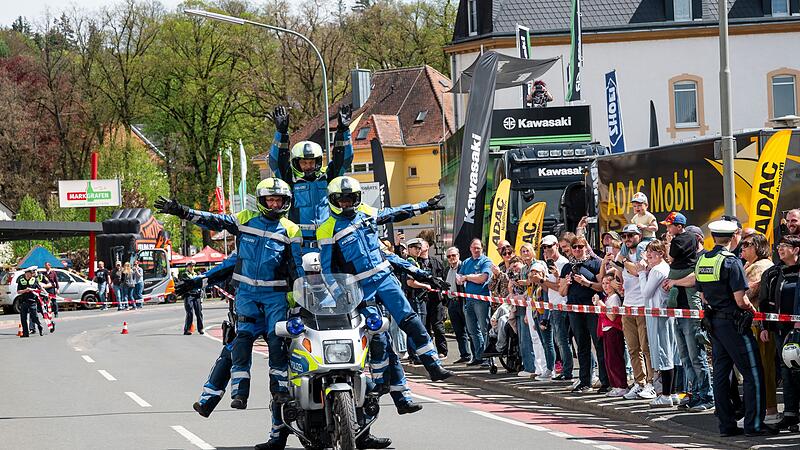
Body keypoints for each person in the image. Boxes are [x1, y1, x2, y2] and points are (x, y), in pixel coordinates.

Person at [156, 177, 305, 450]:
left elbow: (298, 270)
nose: (274, 205)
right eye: (270, 200)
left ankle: (278, 411)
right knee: (238, 344)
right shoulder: (245, 219)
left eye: (279, 201)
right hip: (247, 297)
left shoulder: (291, 229)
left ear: (286, 203)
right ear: (261, 202)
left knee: (277, 350)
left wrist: (300, 304)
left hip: (275, 299)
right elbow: (214, 222)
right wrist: (183, 212)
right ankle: (228, 396)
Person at [316, 176, 451, 384]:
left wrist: (424, 206)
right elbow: (327, 271)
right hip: (361, 288)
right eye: (341, 200)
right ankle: (381, 383)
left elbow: (395, 213)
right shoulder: (326, 228)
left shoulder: (367, 214)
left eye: (350, 199)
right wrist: (341, 295)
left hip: (384, 279)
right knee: (377, 331)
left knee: (410, 319)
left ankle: (433, 365)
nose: (346, 203)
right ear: (333, 201)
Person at [696, 220, 775, 437]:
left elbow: (702, 295)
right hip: (734, 324)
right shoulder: (731, 262)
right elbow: (741, 300)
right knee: (753, 373)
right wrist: (752, 311)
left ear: (713, 237)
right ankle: (754, 425)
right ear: (733, 238)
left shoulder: (702, 259)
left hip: (714, 322)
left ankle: (727, 426)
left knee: (721, 375)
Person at [268, 104, 353, 255]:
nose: (308, 166)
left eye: (312, 162)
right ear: (296, 163)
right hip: (299, 243)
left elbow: (343, 160)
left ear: (318, 162)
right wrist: (281, 133)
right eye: (304, 162)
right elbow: (277, 161)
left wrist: (343, 131)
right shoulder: (289, 180)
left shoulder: (328, 178)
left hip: (328, 240)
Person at [663, 225, 714, 412]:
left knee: (697, 357)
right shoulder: (681, 260)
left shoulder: (704, 257)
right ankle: (694, 394)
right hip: (679, 312)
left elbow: (695, 278)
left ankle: (706, 395)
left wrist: (675, 282)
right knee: (685, 357)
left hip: (692, 315)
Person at [759, 234, 800, 430]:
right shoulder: (774, 273)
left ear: (796, 250)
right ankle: (790, 414)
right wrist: (765, 327)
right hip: (781, 330)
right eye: (779, 246)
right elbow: (766, 302)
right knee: (786, 370)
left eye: (785, 246)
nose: (780, 249)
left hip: (798, 329)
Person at [558, 235, 607, 393]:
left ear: (586, 247)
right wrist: (567, 283)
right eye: (574, 247)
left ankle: (605, 381)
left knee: (598, 344)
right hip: (574, 309)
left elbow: (602, 287)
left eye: (580, 246)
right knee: (582, 345)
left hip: (591, 309)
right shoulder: (567, 267)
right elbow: (562, 292)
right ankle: (584, 380)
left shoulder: (595, 263)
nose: (577, 250)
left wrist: (586, 283)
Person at [632, 240, 677, 407]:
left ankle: (665, 394)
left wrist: (642, 273)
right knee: (668, 353)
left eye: (654, 251)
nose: (649, 255)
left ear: (662, 253)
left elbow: (646, 292)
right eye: (648, 251)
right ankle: (670, 393)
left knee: (664, 354)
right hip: (660, 313)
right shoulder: (661, 268)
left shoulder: (658, 270)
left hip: (658, 315)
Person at [616, 224, 657, 400]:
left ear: (639, 236)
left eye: (631, 235)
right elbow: (619, 272)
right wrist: (617, 284)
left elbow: (635, 271)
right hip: (628, 306)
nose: (627, 239)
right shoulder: (624, 255)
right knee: (633, 349)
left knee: (646, 348)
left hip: (642, 306)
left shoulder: (643, 253)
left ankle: (651, 383)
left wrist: (623, 261)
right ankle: (639, 383)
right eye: (625, 236)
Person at [741, 233, 779, 423]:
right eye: (742, 244)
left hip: (760, 325)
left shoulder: (762, 266)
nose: (743, 247)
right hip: (754, 324)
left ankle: (769, 410)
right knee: (758, 368)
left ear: (759, 246)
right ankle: (761, 410)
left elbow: (749, 291)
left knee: (764, 368)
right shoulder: (750, 265)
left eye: (747, 244)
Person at [540, 235, 573, 381]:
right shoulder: (548, 263)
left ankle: (568, 371)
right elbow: (549, 289)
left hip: (562, 305)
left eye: (549, 246)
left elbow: (560, 286)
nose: (546, 249)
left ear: (556, 246)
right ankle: (567, 370)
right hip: (553, 305)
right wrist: (542, 282)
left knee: (563, 340)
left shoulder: (563, 262)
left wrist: (543, 280)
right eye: (544, 247)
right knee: (560, 340)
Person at [457, 238, 493, 367]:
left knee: (484, 329)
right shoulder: (466, 262)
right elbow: (458, 279)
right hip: (469, 300)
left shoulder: (486, 261)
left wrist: (467, 277)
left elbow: (482, 279)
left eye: (478, 248)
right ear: (470, 248)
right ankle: (479, 356)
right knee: (472, 330)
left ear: (482, 249)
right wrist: (468, 278)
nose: (476, 250)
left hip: (481, 299)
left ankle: (488, 358)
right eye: (474, 247)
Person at [594, 273, 627, 397]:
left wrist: (601, 305)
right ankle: (615, 385)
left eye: (608, 283)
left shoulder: (614, 298)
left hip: (614, 330)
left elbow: (612, 316)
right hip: (606, 330)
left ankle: (621, 385)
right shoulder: (607, 298)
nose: (605, 286)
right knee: (609, 360)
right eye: (603, 283)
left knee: (615, 359)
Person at [414, 240, 447, 358]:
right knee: (424, 326)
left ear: (427, 247)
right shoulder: (415, 262)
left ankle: (442, 350)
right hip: (422, 298)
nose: (419, 247)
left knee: (438, 326)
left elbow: (442, 278)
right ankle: (428, 351)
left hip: (436, 298)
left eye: (420, 245)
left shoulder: (436, 262)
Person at [444, 246, 471, 363]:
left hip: (462, 302)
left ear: (458, 255)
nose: (451, 258)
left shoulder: (463, 267)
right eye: (449, 256)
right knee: (459, 331)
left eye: (453, 255)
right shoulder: (447, 270)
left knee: (470, 330)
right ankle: (464, 355)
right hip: (452, 303)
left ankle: (477, 356)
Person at [17, 266, 43, 337]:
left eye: (30, 273)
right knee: (23, 318)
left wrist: (44, 293)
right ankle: (25, 333)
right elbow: (18, 291)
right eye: (27, 273)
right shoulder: (21, 280)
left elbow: (39, 289)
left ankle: (39, 326)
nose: (28, 275)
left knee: (34, 318)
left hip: (32, 302)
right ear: (25, 274)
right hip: (23, 302)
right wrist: (25, 290)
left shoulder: (34, 280)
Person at [181, 261, 204, 335]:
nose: (192, 268)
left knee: (199, 312)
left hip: (196, 295)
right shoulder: (185, 274)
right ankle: (187, 329)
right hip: (188, 295)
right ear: (187, 267)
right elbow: (190, 282)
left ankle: (200, 328)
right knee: (190, 312)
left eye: (193, 266)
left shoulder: (196, 274)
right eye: (190, 266)